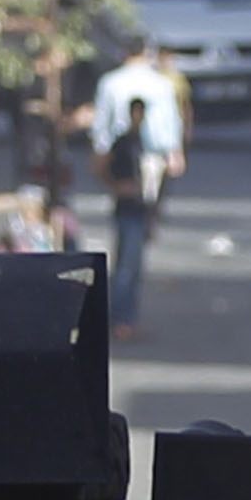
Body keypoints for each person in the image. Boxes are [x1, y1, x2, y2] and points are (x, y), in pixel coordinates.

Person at [90, 39, 186, 340]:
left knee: (129, 236)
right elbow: (170, 130)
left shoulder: (111, 83)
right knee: (135, 238)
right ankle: (123, 314)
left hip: (123, 167)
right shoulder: (160, 84)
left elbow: (101, 131)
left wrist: (104, 172)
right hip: (150, 166)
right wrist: (175, 154)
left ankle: (122, 312)